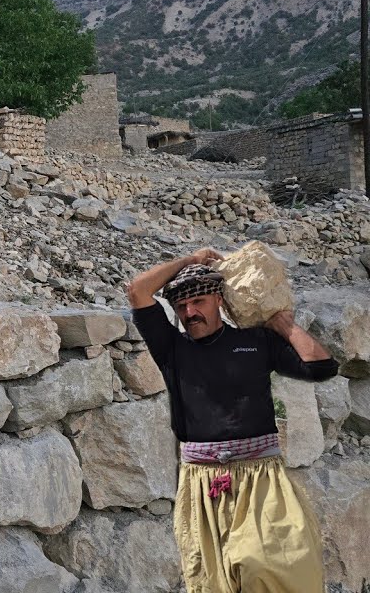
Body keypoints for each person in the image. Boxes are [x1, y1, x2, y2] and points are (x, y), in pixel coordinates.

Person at [125, 248, 338, 593]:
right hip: (201, 481)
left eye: (199, 301)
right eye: (182, 306)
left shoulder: (256, 342)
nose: (190, 312)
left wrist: (283, 325)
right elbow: (137, 290)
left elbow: (322, 368)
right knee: (213, 581)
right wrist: (189, 260)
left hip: (260, 477)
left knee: (276, 568)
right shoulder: (170, 348)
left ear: (219, 300)